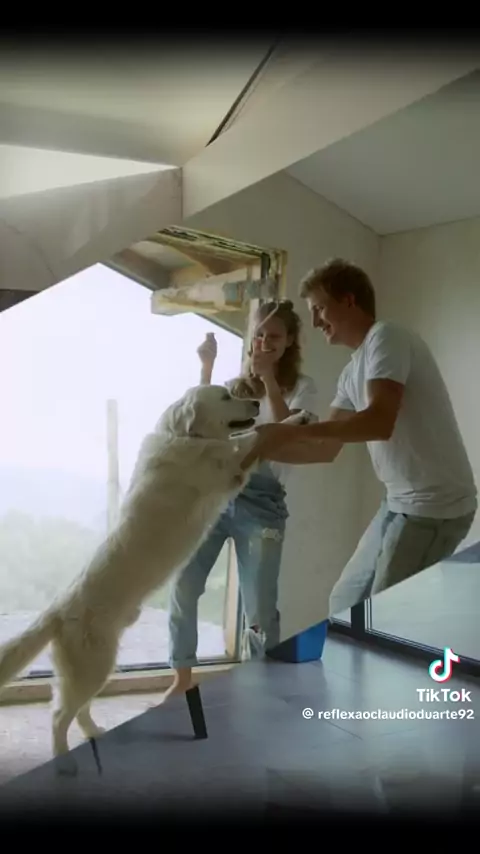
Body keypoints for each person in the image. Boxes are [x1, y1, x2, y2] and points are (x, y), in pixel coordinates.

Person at [248, 259, 477, 618]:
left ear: (349, 301)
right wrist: (257, 448)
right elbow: (323, 450)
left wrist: (290, 431)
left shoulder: (387, 337)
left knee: (384, 617)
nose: (315, 321)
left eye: (320, 308)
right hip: (398, 501)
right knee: (344, 602)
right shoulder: (351, 372)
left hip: (434, 508)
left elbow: (378, 422)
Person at [162, 300, 318, 700]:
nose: (264, 342)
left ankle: (260, 687)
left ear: (290, 341)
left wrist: (269, 381)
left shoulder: (304, 388)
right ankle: (182, 678)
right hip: (217, 492)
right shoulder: (236, 388)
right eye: (259, 334)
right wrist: (207, 367)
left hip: (263, 503)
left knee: (261, 610)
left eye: (274, 336)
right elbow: (203, 426)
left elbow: (288, 436)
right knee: (184, 584)